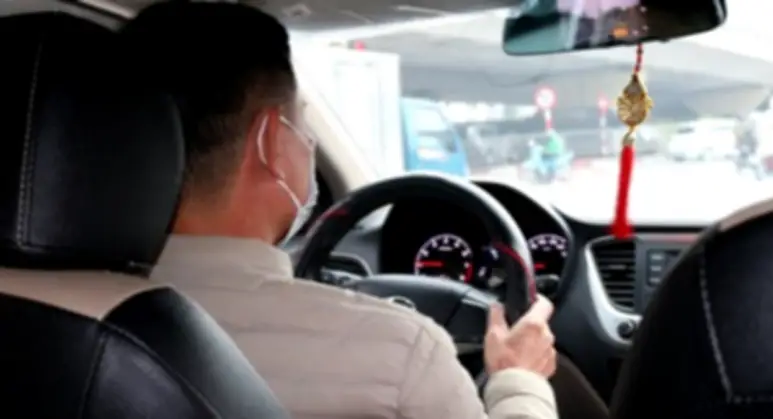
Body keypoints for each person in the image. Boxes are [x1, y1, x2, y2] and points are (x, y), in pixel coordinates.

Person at [122, 3, 602, 419]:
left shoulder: (76, 315)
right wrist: (518, 380)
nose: (308, 142)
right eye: (301, 123)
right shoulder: (401, 352)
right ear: (272, 141)